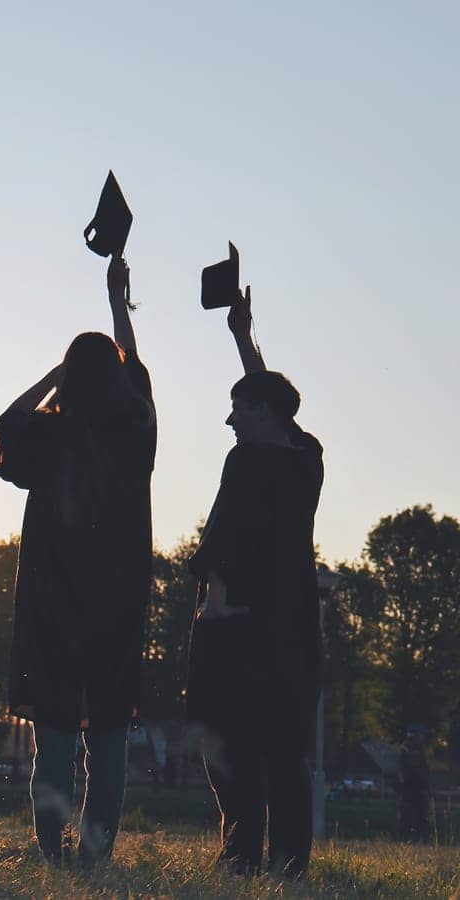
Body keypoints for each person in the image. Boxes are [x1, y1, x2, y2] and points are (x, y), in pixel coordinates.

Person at [0, 256, 155, 866]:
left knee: (53, 736)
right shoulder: (135, 430)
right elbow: (138, 381)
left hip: (52, 606)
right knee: (108, 734)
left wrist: (51, 380)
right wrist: (118, 308)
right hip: (116, 605)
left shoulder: (48, 438)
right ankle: (96, 849)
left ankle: (52, 853)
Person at [185, 289, 324, 876]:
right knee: (286, 750)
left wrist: (212, 608)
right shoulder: (308, 457)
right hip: (293, 625)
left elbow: (223, 539)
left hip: (238, 625)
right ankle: (290, 861)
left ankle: (240, 855)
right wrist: (244, 339)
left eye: (237, 408)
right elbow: (275, 406)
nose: (230, 418)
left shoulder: (243, 462)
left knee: (231, 745)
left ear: (259, 412)